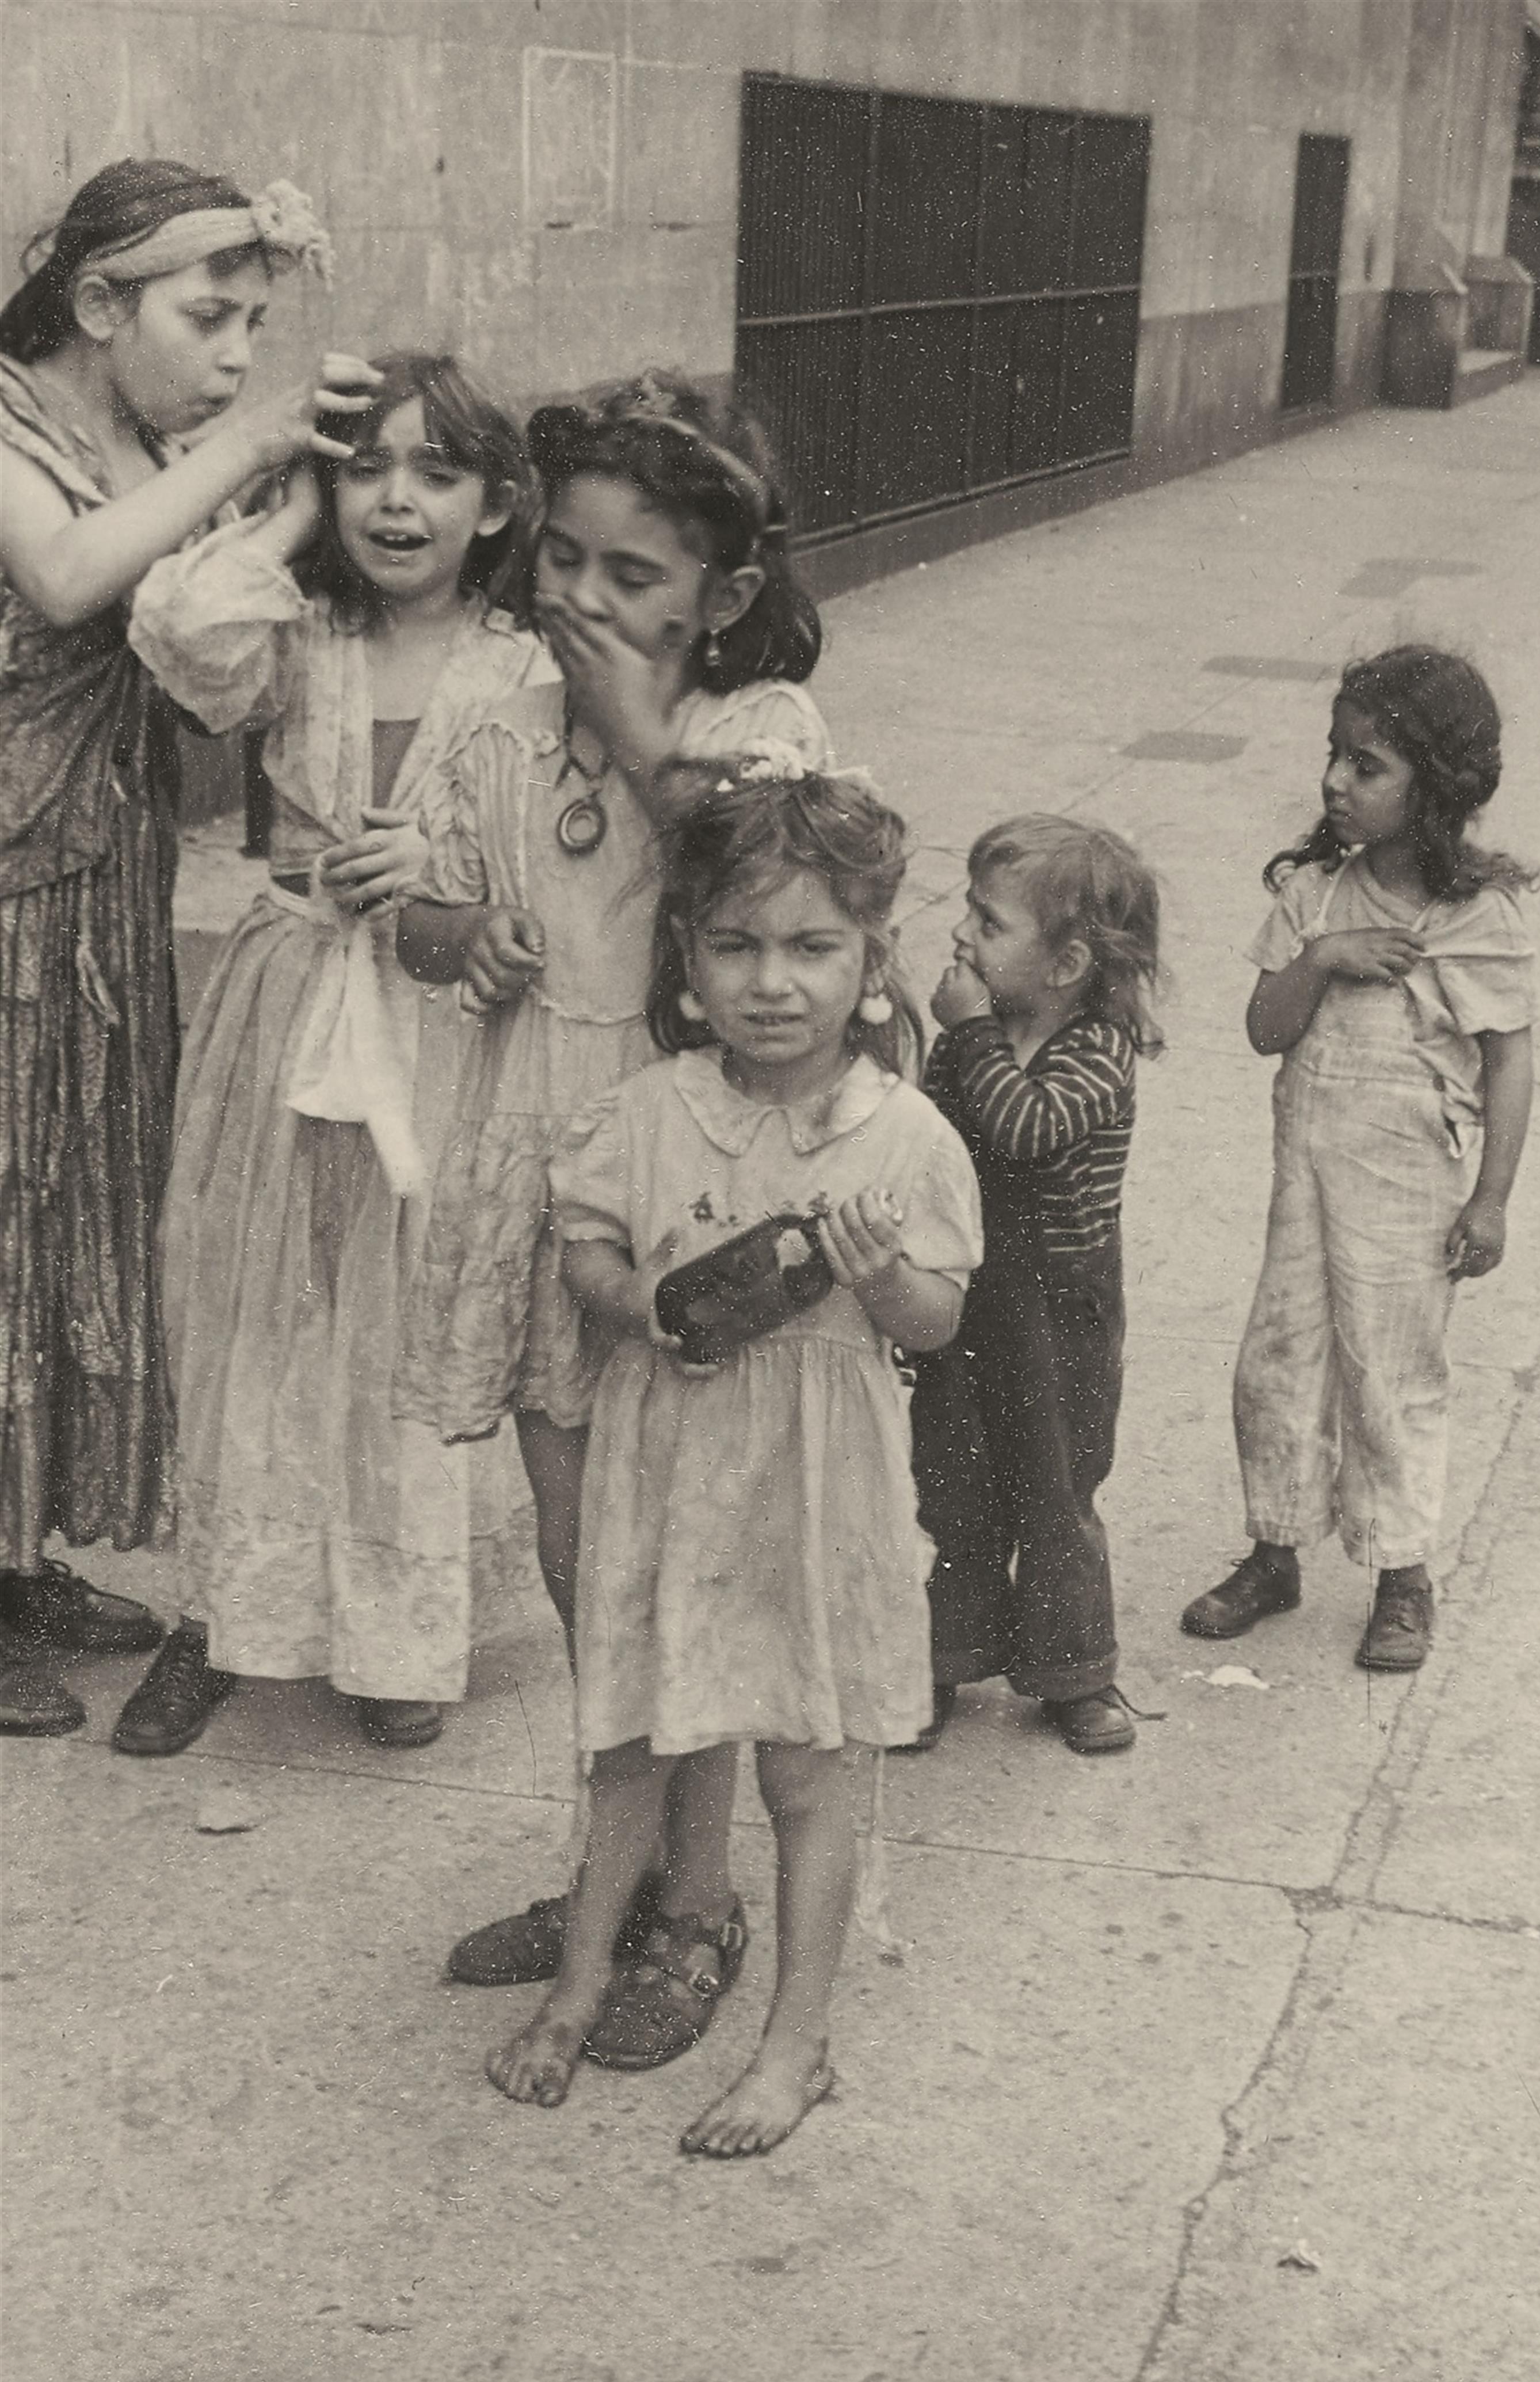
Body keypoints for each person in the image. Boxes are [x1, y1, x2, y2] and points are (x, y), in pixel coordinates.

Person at [391, 374, 830, 2014]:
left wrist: (644, 736)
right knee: (592, 1570)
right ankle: (618, 1871)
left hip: (684, 1197)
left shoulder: (754, 731)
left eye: (630, 577)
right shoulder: (490, 702)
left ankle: (700, 1903)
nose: (579, 598)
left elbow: (766, 892)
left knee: (682, 1572)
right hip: (536, 1174)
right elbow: (419, 896)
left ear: (720, 597)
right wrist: (453, 934)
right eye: (564, 558)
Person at [485, 760, 981, 2155]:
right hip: (676, 1467)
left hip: (819, 1489)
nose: (776, 981)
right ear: (690, 966)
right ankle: (581, 1985)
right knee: (631, 1739)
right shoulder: (651, 1112)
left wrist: (883, 1285)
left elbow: (939, 1321)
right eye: (739, 945)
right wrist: (639, 1298)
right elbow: (583, 1240)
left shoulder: (908, 1137)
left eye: (815, 947)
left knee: (807, 1771)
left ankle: (796, 2045)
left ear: (874, 967)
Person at [110, 355, 550, 1757]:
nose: (399, 500)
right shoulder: (300, 636)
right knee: (264, 1298)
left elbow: (577, 838)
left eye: (437, 473)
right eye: (370, 469)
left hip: (445, 1016)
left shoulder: (528, 664)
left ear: (494, 506)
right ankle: (228, 1615)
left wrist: (455, 851)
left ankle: (398, 1630)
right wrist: (291, 508)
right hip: (294, 996)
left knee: (413, 1309)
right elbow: (176, 624)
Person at [0, 157, 344, 1737]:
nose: (234, 352)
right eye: (212, 316)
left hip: (100, 883)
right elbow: (67, 573)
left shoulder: (136, 443)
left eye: (255, 323)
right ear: (95, 304)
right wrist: (262, 446)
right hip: (9, 897)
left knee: (77, 1214)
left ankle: (19, 1556)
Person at [1181, 645, 1537, 1673]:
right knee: (1279, 1359)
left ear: (1438, 785)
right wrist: (1322, 958)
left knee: (1393, 1372)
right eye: (1334, 755)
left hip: (1411, 1191)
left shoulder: (1474, 919)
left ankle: (1403, 1573)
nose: (1336, 780)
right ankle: (1274, 1546)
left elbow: (1509, 1060)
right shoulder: (1312, 897)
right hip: (1305, 1178)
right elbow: (1263, 1027)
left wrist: (1493, 1198)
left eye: (1368, 763)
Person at [907, 816, 1163, 1757]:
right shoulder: (970, 1044)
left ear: (1065, 965)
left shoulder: (1095, 1052)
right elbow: (934, 1142)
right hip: (972, 1292)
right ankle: (948, 1650)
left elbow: (1023, 1129)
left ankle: (1075, 1671)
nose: (961, 936)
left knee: (1058, 1490)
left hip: (1062, 1309)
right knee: (955, 1480)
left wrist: (969, 1031)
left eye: (988, 921)